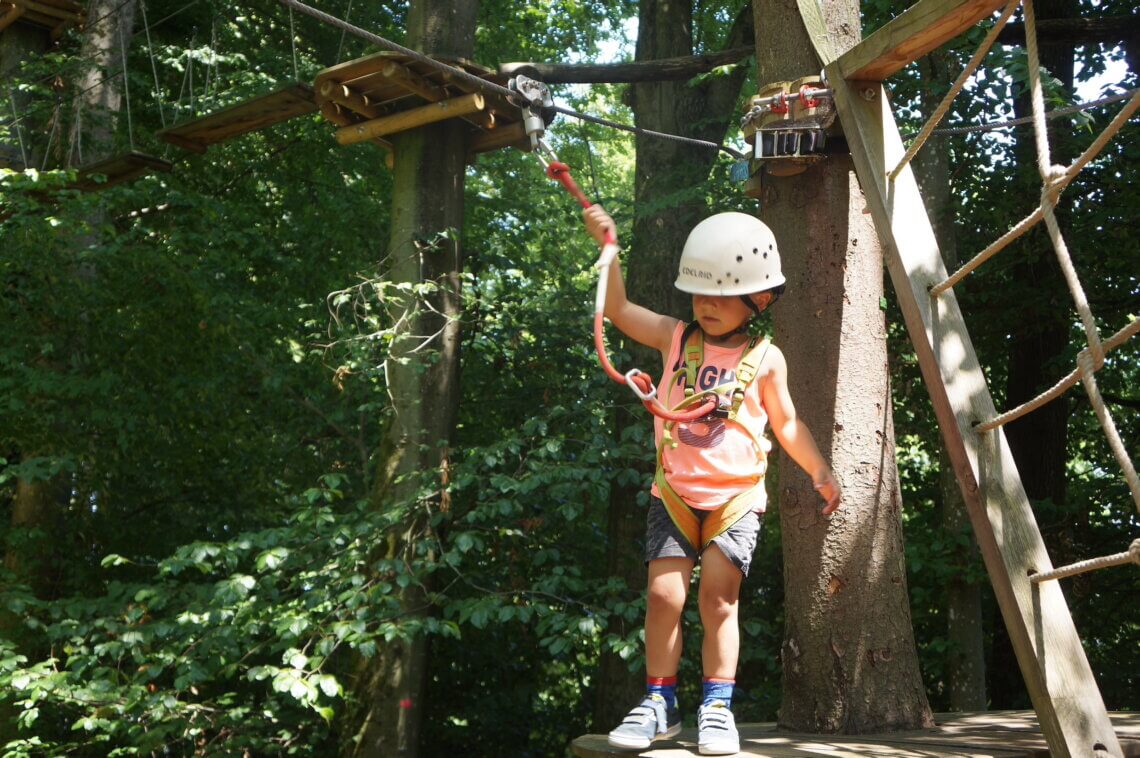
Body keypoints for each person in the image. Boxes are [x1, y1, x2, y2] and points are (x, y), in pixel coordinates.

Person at [583, 205, 842, 755]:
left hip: (735, 499)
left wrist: (819, 468)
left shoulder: (766, 359)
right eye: (700, 294)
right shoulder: (675, 338)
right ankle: (660, 702)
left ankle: (717, 706)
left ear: (760, 299)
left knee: (719, 601)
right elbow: (620, 309)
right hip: (675, 493)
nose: (706, 306)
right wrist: (609, 250)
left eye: (722, 296)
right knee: (662, 595)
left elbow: (787, 422)